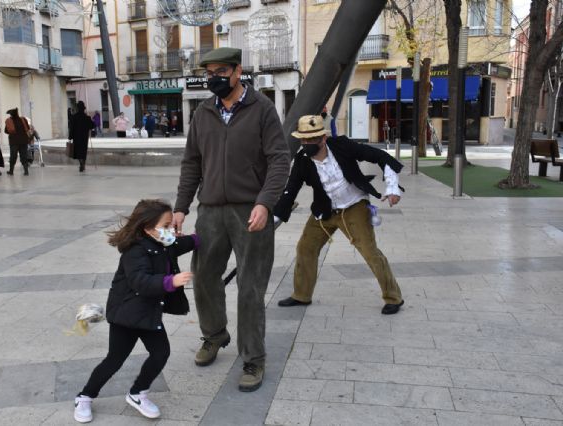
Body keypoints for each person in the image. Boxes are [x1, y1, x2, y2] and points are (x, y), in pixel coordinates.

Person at [172, 47, 290, 392]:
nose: (213, 78)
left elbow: (279, 161)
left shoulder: (262, 110)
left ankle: (253, 358)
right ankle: (214, 335)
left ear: (238, 71)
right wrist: (181, 207)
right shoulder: (203, 112)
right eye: (209, 72)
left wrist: (266, 203)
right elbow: (191, 163)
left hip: (250, 211)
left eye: (220, 71)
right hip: (209, 212)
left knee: (250, 287)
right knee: (205, 279)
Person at [74, 199, 197, 423]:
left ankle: (137, 392)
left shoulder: (164, 243)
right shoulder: (135, 252)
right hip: (126, 315)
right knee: (115, 360)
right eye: (167, 225)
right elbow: (141, 281)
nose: (172, 231)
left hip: (149, 314)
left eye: (172, 225)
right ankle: (84, 397)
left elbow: (185, 243)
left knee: (161, 353)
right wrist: (172, 281)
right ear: (148, 227)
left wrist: (204, 237)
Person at [273, 115, 405, 315]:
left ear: (323, 139)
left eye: (311, 140)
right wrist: (272, 222)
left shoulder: (341, 146)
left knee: (370, 252)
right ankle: (301, 295)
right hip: (324, 210)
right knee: (305, 248)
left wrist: (392, 186)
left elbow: (380, 156)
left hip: (354, 206)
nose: (307, 144)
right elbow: (290, 191)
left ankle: (393, 297)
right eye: (303, 140)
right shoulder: (302, 161)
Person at [4, 108, 31, 176]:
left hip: (14, 141)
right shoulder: (23, 119)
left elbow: (6, 131)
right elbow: (28, 128)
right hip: (23, 141)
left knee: (13, 156)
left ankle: (11, 171)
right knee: (24, 156)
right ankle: (26, 171)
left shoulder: (9, 121)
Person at [69, 101, 95, 172]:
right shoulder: (87, 117)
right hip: (84, 137)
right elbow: (92, 126)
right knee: (83, 151)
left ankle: (81, 163)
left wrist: (70, 137)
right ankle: (83, 164)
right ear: (83, 109)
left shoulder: (74, 117)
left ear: (77, 108)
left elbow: (71, 128)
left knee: (78, 151)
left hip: (76, 137)